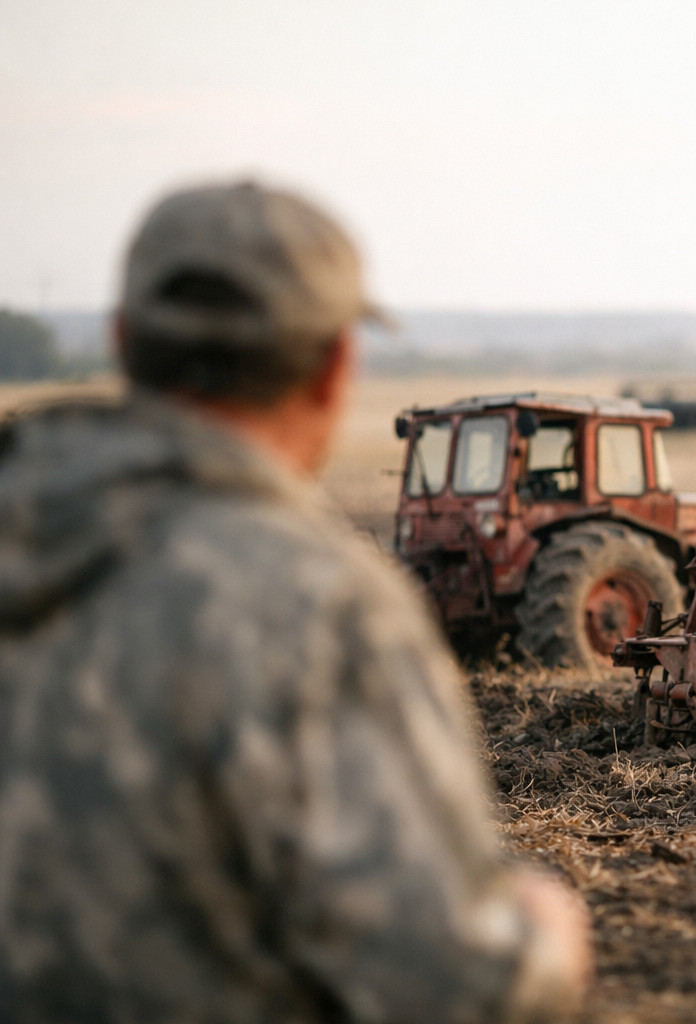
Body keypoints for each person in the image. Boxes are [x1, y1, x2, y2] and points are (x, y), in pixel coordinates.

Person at [0, 180, 591, 1022]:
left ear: (123, 342)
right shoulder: (311, 601)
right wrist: (541, 938)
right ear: (335, 366)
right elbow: (450, 983)